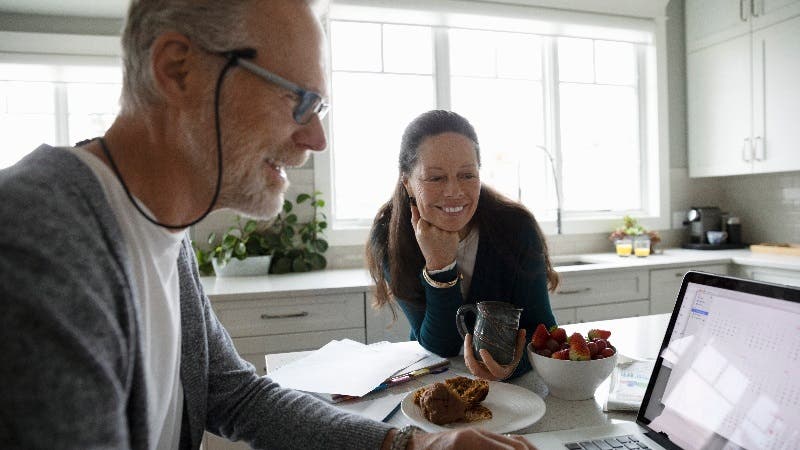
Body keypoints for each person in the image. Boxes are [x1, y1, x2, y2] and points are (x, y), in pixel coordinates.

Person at [0, 1, 536, 449]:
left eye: (319, 106)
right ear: (178, 70)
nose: (316, 139)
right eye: (298, 99)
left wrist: (413, 445)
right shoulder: (39, 238)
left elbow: (235, 395)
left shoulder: (160, 229)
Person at [367, 110, 559, 381]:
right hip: (433, 382)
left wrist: (513, 366)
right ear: (407, 183)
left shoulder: (516, 227)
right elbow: (440, 346)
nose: (454, 191)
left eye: (467, 175)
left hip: (515, 388)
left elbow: (544, 333)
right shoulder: (390, 235)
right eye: (436, 178)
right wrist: (440, 266)